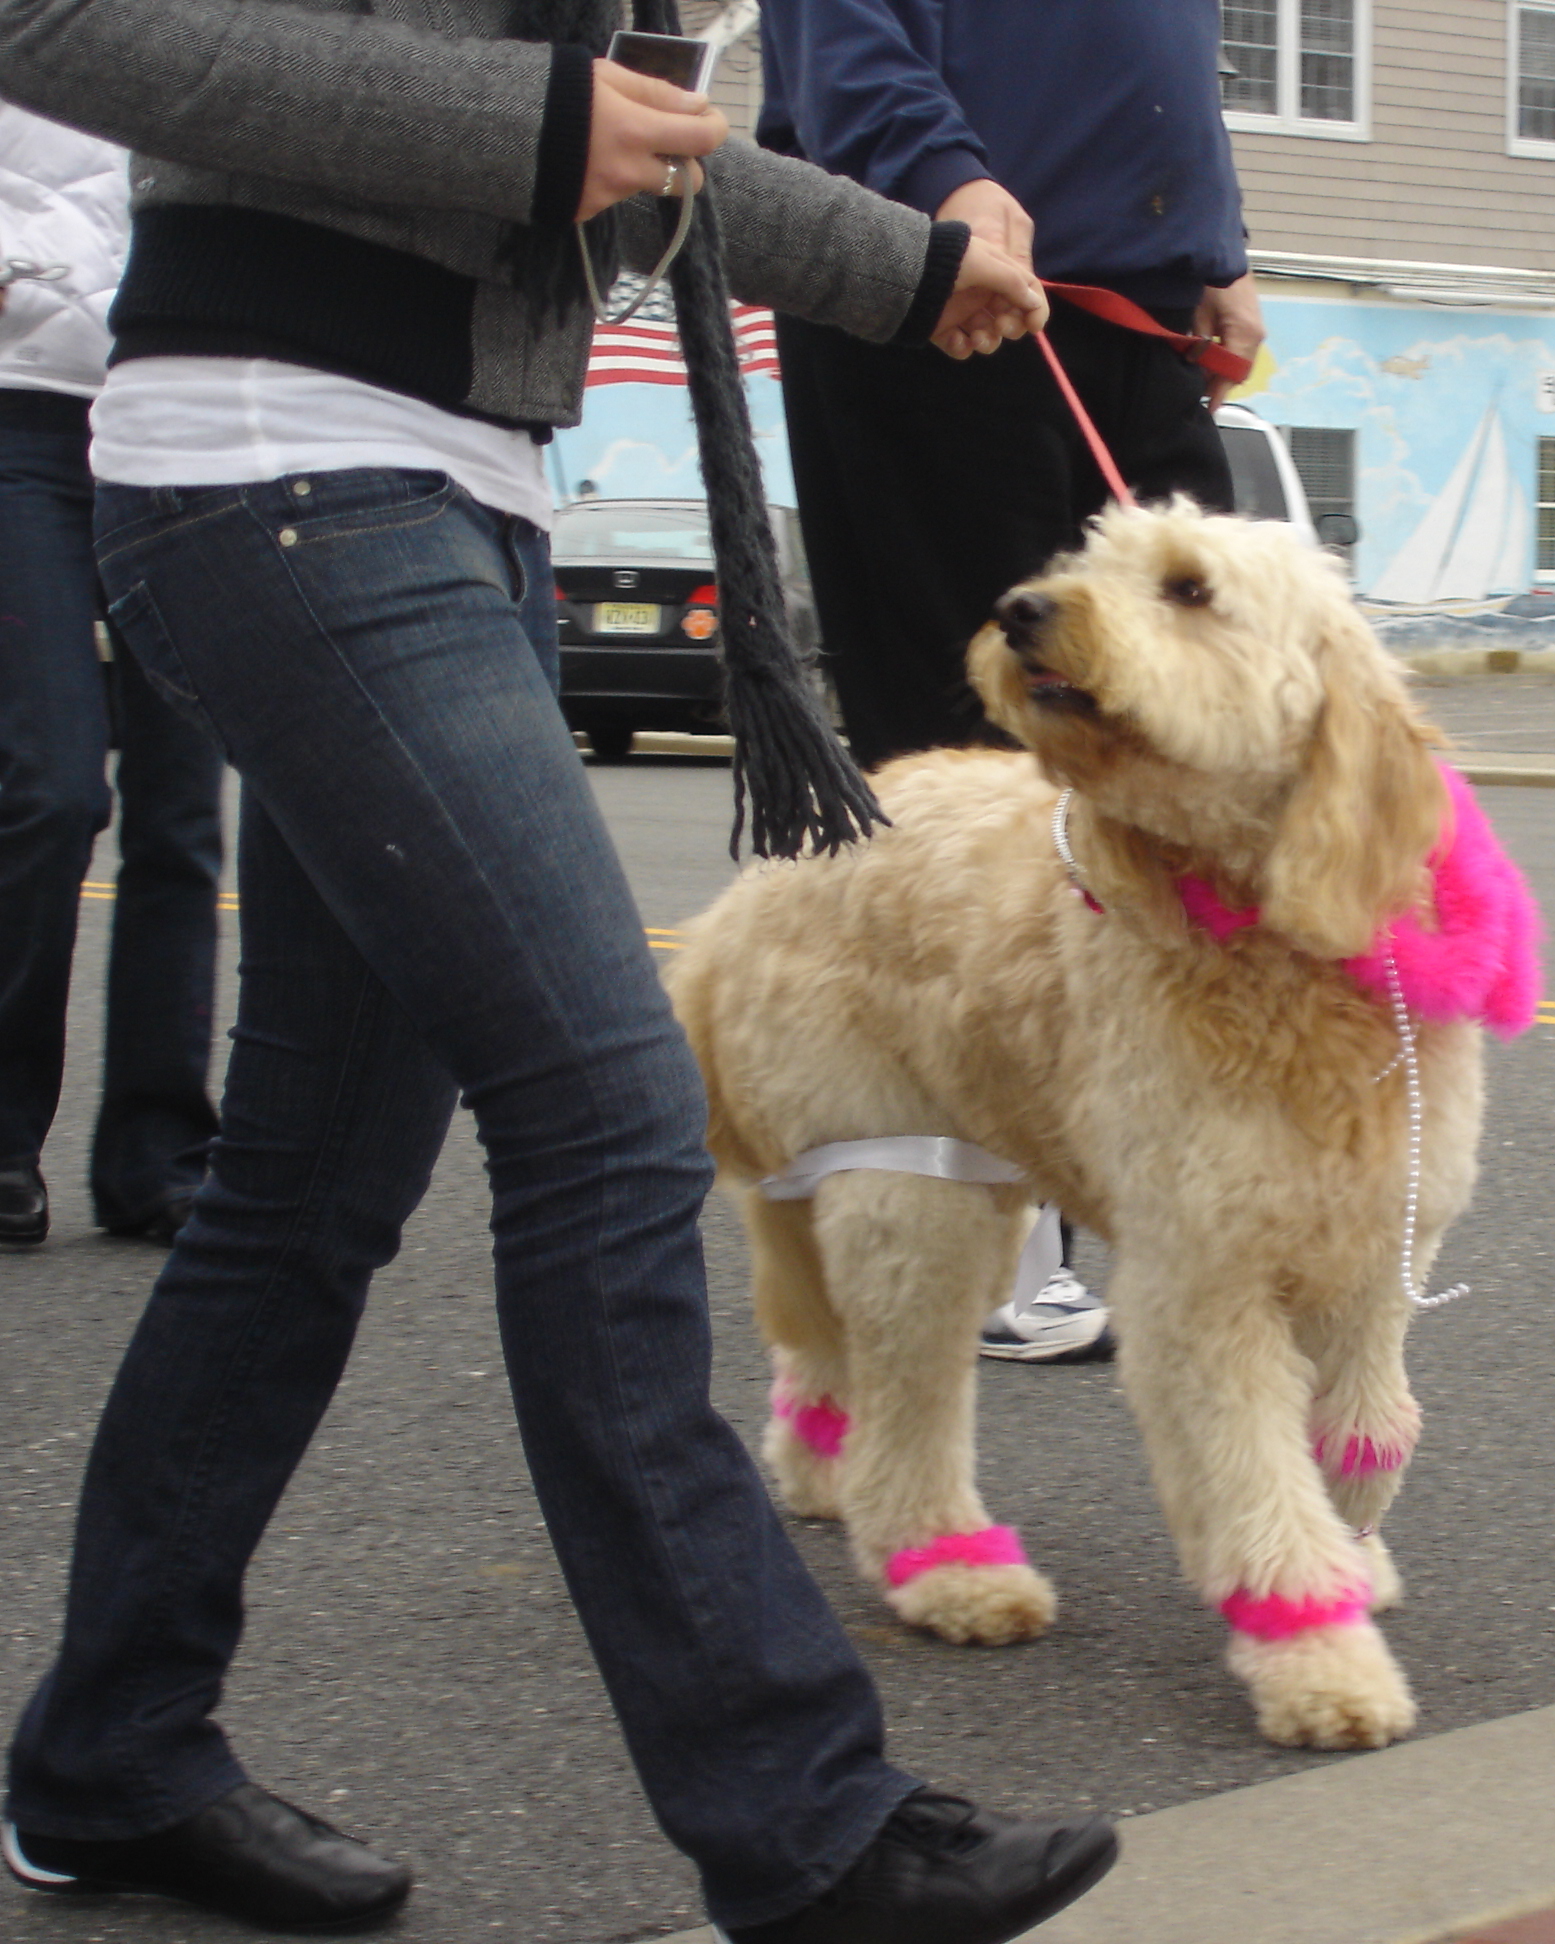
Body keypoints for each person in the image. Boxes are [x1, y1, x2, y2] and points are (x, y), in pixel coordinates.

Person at [0, 0, 1117, 1938]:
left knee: (305, 1186)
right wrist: (528, 120)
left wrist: (914, 261)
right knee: (604, 1114)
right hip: (286, 462)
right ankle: (804, 1824)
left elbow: (636, 139)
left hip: (470, 486)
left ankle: (111, 1751)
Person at [759, 0, 1266, 1364]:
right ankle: (965, 1228)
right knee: (966, 767)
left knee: (1198, 740)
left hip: (1143, 309)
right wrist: (939, 172)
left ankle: (1176, 1170)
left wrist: (1214, 238)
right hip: (941, 287)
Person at [0, 100, 223, 1249]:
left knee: (182, 815)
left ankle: (157, 1157)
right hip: (18, 417)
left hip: (178, 416)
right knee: (50, 788)